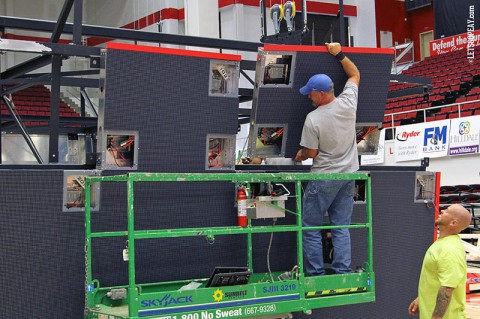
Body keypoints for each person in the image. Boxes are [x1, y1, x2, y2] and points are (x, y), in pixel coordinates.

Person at [293, 42, 360, 275]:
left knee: (310, 227)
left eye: (311, 93)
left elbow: (311, 154)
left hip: (324, 178)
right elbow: (354, 74)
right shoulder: (348, 103)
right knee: (341, 227)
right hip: (349, 175)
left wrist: (299, 155)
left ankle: (315, 274)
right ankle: (342, 271)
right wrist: (338, 53)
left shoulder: (313, 119)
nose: (308, 96)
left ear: (321, 94)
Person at [408, 204, 472, 319]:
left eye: (447, 211)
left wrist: (436, 317)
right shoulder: (442, 243)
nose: (442, 211)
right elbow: (434, 277)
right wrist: (420, 298)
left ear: (453, 223)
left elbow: (447, 289)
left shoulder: (450, 250)